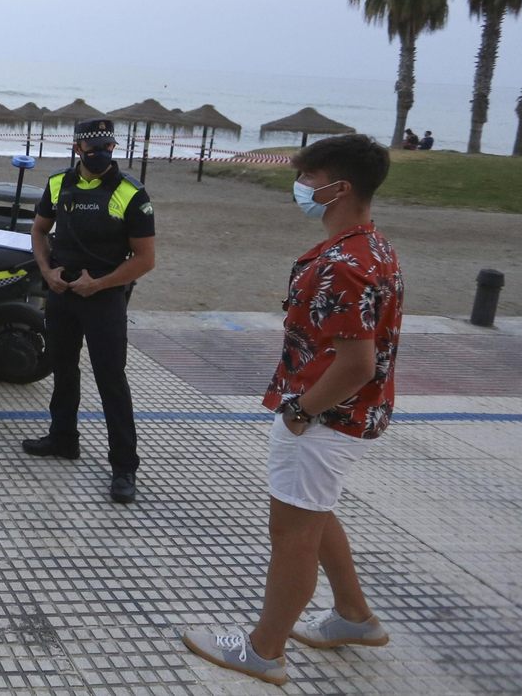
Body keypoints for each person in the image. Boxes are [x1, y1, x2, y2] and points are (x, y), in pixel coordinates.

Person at [184, 134, 400, 686]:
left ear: (340, 187)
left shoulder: (344, 265)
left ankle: (263, 650)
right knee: (315, 513)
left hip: (324, 418)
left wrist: (301, 411)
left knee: (293, 535)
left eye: (309, 178)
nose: (300, 187)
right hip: (340, 417)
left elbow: (357, 363)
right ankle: (354, 615)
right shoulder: (373, 247)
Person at [22, 117, 156, 504]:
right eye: (93, 148)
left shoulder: (131, 192)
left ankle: (124, 467)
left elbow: (145, 258)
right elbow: (39, 229)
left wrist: (98, 283)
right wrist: (47, 272)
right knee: (61, 368)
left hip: (104, 297)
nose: (101, 155)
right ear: (77, 148)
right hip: (62, 294)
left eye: (108, 148)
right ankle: (63, 439)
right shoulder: (57, 183)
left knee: (110, 379)